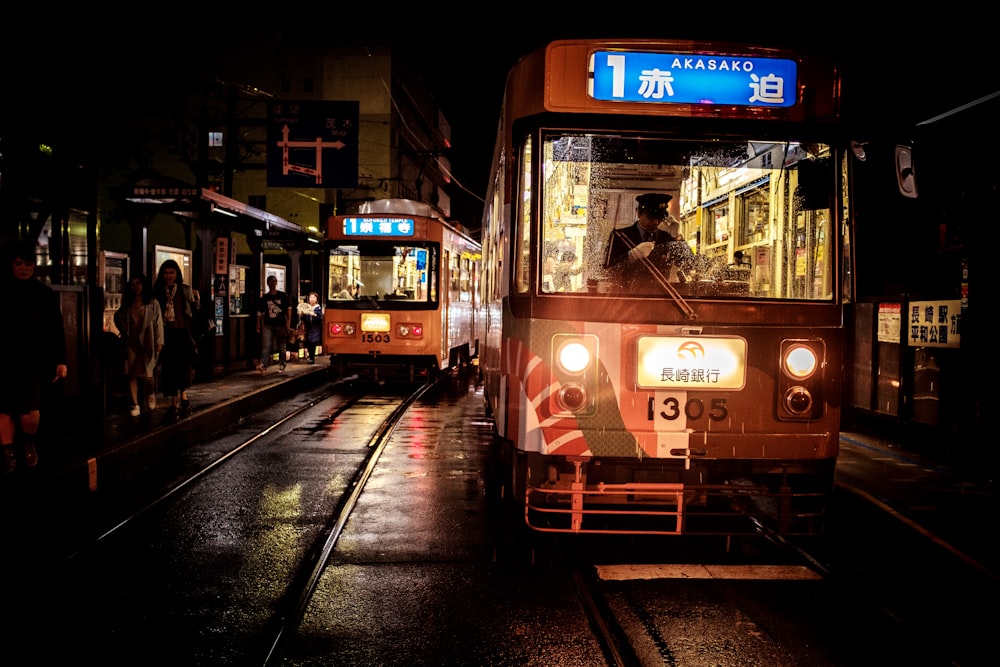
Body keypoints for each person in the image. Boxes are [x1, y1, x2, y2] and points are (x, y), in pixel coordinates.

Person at [0, 240, 68, 473]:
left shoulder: (44, 294)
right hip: (4, 359)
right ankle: (7, 453)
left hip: (33, 360)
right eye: (19, 263)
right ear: (11, 264)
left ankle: (29, 445)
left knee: (30, 410)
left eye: (28, 264)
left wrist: (61, 359)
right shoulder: (0, 291)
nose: (24, 268)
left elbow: (56, 328)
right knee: (5, 409)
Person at [153, 259, 199, 417]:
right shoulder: (158, 291)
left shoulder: (184, 290)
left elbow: (193, 312)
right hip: (166, 334)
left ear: (177, 273)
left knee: (183, 365)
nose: (169, 276)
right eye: (166, 273)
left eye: (171, 273)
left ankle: (183, 393)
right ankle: (174, 399)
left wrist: (196, 300)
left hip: (182, 333)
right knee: (169, 367)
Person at [603, 193, 678, 290]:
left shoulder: (665, 237)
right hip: (627, 297)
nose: (655, 222)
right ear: (638, 213)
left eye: (659, 218)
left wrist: (678, 241)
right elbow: (607, 271)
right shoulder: (619, 237)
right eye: (650, 218)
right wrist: (631, 256)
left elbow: (686, 263)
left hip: (659, 297)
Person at [114, 274, 164, 417]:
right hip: (132, 342)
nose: (136, 287)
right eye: (133, 284)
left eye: (138, 283)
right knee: (132, 373)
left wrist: (159, 341)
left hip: (148, 341)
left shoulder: (152, 303)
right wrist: (123, 328)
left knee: (148, 373)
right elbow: (118, 317)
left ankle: (151, 393)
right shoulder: (128, 303)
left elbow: (159, 323)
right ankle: (135, 404)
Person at [257, 274, 291, 373]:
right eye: (270, 281)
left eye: (274, 281)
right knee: (266, 345)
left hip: (280, 324)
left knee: (282, 346)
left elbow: (288, 310)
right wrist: (258, 324)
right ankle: (263, 364)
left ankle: (282, 364)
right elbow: (259, 312)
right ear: (268, 283)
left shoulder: (282, 295)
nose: (272, 283)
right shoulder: (265, 297)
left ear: (276, 283)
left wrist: (288, 323)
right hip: (268, 324)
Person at [296, 292, 324, 364]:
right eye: (310, 297)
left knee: (313, 342)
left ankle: (312, 358)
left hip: (315, 328)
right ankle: (310, 357)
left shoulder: (318, 308)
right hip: (307, 327)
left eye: (314, 297)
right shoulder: (307, 307)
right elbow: (303, 318)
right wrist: (302, 314)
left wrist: (314, 315)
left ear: (316, 299)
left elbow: (320, 318)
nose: (312, 299)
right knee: (308, 342)